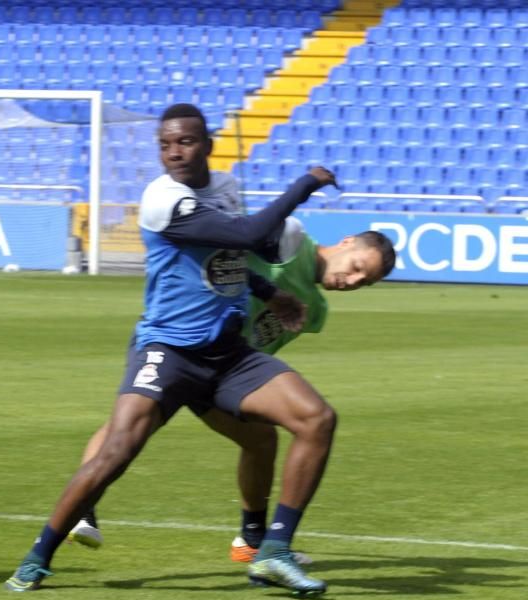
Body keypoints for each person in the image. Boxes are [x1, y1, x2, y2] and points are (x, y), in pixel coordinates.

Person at [5, 103, 338, 597]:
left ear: (206, 144)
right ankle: (38, 556)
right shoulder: (163, 198)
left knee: (317, 419)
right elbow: (246, 234)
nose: (174, 153)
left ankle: (273, 551)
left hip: (228, 357)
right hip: (169, 352)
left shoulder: (222, 188)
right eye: (165, 144)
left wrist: (271, 292)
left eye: (184, 142)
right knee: (115, 453)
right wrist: (305, 183)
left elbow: (231, 256)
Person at [66, 221, 397, 565]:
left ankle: (251, 540)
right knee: (132, 427)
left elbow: (261, 352)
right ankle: (80, 511)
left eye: (365, 282)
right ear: (345, 242)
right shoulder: (288, 239)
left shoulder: (316, 311)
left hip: (222, 371)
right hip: (179, 340)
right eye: (358, 268)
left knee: (259, 439)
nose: (355, 281)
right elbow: (224, 242)